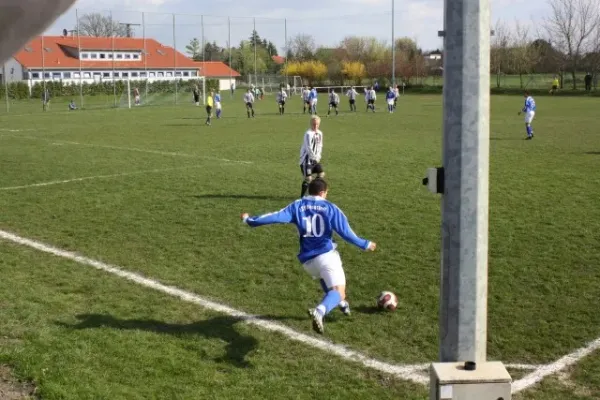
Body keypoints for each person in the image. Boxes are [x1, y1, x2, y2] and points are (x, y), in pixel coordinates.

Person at [240, 178, 377, 334]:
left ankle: (341, 304)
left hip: (308, 263)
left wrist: (249, 220)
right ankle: (320, 311)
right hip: (326, 256)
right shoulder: (330, 208)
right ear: (323, 192)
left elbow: (275, 216)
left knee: (326, 279)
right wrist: (365, 244)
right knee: (339, 291)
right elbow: (346, 233)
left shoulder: (297, 206)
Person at [300, 115, 324, 198]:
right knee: (308, 179)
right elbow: (308, 147)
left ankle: (314, 192)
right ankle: (302, 197)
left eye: (317, 124)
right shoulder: (308, 134)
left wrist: (319, 156)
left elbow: (320, 145)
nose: (315, 126)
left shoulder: (320, 133)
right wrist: (314, 157)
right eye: (314, 124)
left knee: (321, 174)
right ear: (311, 124)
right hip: (306, 160)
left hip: (315, 159)